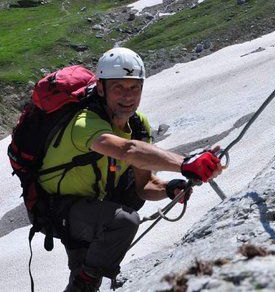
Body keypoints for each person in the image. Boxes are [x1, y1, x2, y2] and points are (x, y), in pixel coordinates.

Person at [36, 47, 222, 292]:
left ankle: (84, 283)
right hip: (56, 207)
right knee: (123, 222)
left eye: (134, 87)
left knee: (85, 266)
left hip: (95, 206)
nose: (128, 96)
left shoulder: (138, 124)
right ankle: (86, 284)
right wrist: (186, 163)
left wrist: (169, 188)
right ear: (101, 89)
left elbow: (143, 186)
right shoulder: (84, 122)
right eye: (118, 88)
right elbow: (127, 151)